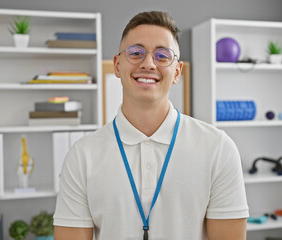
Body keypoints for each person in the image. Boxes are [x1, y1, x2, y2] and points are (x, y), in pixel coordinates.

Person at [53, 11, 249, 240]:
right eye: (135, 53)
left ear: (177, 71)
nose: (148, 64)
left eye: (162, 55)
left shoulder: (218, 148)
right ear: (117, 65)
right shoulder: (82, 156)